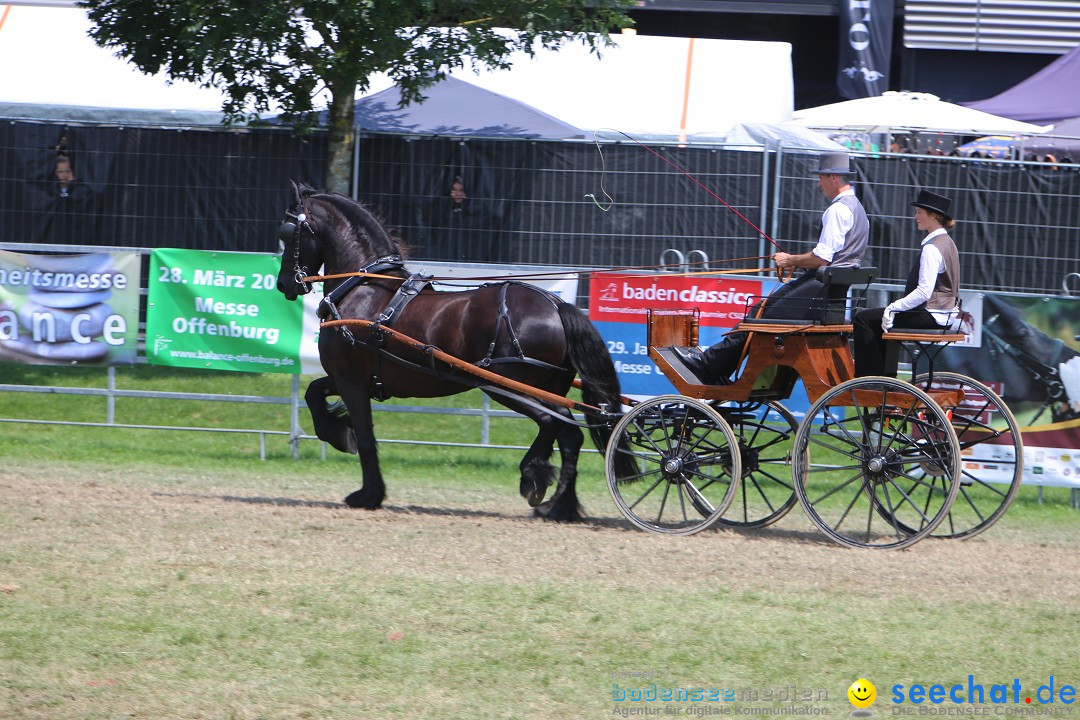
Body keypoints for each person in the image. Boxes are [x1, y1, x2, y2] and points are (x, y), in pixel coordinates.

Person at [674, 151, 869, 384]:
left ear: (834, 178)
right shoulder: (858, 209)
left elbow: (822, 258)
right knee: (761, 310)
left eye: (822, 177)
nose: (819, 183)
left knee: (758, 317)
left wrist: (789, 260)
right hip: (829, 291)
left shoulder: (837, 210)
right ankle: (716, 366)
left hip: (820, 288)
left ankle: (709, 367)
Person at [852, 190, 960, 378]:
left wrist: (894, 307)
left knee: (863, 319)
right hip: (944, 312)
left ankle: (869, 379)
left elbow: (924, 292)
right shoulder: (947, 242)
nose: (915, 217)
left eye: (919, 212)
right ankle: (884, 377)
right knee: (876, 320)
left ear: (933, 216)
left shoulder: (932, 248)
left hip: (931, 313)